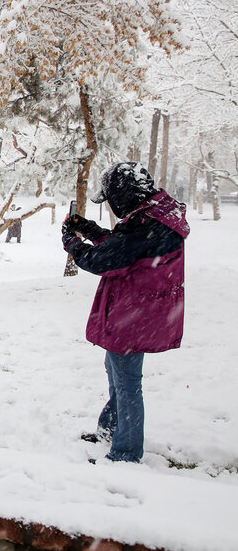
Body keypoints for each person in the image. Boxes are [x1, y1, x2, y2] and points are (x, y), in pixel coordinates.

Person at [62, 162, 189, 463]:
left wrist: (72, 242)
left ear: (123, 195)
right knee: (117, 371)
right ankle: (111, 430)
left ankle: (126, 452)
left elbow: (101, 260)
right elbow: (123, 247)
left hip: (134, 315)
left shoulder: (146, 226)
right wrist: (89, 229)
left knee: (128, 383)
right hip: (139, 312)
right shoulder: (156, 216)